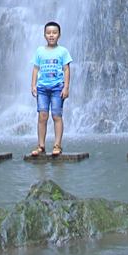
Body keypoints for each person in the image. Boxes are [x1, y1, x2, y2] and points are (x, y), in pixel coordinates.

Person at [30, 21, 72, 156]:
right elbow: (36, 69)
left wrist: (66, 87)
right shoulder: (39, 51)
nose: (51, 35)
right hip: (42, 88)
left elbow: (66, 69)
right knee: (42, 116)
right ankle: (41, 146)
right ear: (44, 35)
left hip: (57, 88)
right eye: (48, 33)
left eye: (54, 33)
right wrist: (33, 85)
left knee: (56, 116)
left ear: (59, 35)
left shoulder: (63, 51)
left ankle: (57, 145)